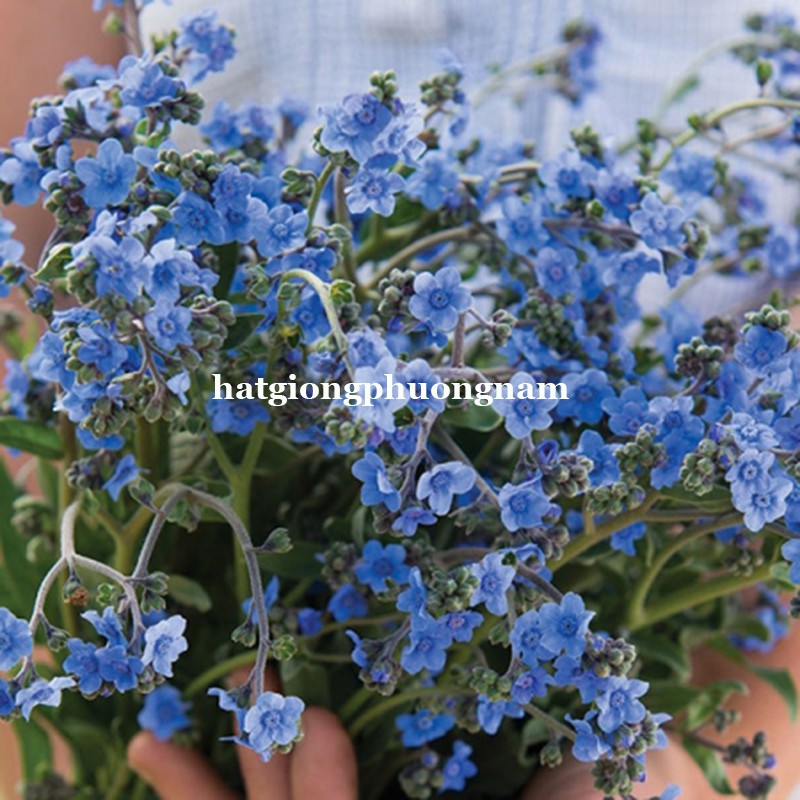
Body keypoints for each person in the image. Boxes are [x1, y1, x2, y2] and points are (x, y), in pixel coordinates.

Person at [3, 2, 800, 799]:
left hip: (587, 607)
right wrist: (66, 742)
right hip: (217, 445)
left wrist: (676, 774)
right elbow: (32, 268)